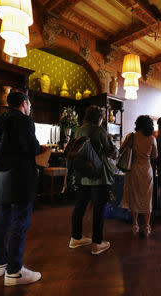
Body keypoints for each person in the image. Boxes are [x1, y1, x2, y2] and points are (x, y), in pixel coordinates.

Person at [0, 91, 43, 286]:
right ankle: (14, 272)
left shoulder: (1, 119)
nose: (29, 107)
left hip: (1, 177)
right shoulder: (24, 120)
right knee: (20, 222)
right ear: (24, 104)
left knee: (3, 220)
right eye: (29, 104)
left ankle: (0, 264)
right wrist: (40, 148)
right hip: (20, 179)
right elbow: (32, 147)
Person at [69, 105, 117, 255]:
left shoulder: (78, 130)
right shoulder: (99, 130)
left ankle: (75, 238)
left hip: (82, 175)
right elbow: (111, 152)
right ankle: (97, 243)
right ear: (99, 118)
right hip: (99, 176)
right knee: (98, 208)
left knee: (80, 206)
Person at [121, 115, 158, 236]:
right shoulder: (152, 139)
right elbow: (154, 156)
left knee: (134, 197)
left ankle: (135, 225)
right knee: (147, 198)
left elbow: (121, 150)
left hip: (134, 169)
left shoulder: (131, 136)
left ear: (137, 124)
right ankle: (147, 226)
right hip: (147, 170)